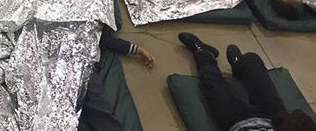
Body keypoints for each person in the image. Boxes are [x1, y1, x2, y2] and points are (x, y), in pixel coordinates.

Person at [177, 32, 316, 131]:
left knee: (212, 84)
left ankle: (203, 52)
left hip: (236, 121)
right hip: (274, 118)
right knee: (252, 61)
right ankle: (239, 65)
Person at [79, 30, 155, 130]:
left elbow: (108, 40)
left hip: (83, 66)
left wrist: (138, 50)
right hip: (58, 65)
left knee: (96, 103)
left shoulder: (92, 23)